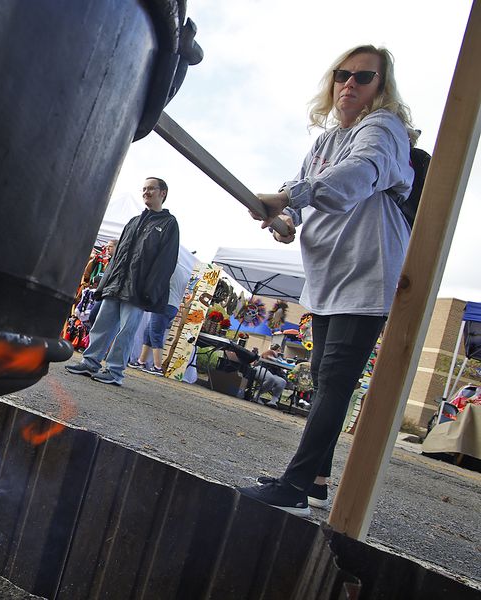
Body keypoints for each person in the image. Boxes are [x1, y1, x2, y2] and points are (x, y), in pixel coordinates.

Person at [237, 45, 416, 517]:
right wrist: (286, 214)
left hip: (366, 270)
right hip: (330, 273)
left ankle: (294, 487)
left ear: (382, 87)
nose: (349, 84)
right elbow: (304, 186)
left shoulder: (382, 129)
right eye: (342, 75)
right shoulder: (327, 139)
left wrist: (288, 197)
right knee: (322, 379)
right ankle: (316, 480)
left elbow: (356, 176)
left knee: (335, 381)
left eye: (363, 77)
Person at [65, 177, 179, 385]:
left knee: (126, 331)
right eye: (144, 188)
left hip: (138, 289)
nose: (146, 192)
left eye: (151, 189)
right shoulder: (134, 221)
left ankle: (115, 372)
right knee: (102, 324)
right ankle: (90, 362)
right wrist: (104, 285)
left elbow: (165, 262)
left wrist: (150, 291)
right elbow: (117, 257)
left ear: (163, 193)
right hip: (116, 284)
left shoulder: (169, 224)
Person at [129, 246, 195, 375]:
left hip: (164, 305)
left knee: (155, 334)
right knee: (149, 332)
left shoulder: (169, 269)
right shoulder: (182, 271)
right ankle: (141, 361)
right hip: (173, 306)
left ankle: (158, 366)